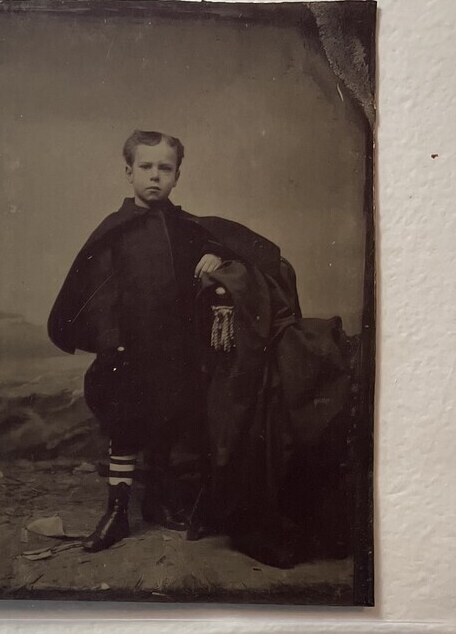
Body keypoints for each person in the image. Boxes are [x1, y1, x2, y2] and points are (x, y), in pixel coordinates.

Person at [48, 130, 355, 565]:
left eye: (165, 169)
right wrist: (110, 345)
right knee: (125, 426)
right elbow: (101, 297)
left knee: (170, 423)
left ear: (177, 176)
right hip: (128, 349)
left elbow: (255, 252)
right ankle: (116, 512)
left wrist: (218, 257)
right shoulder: (115, 233)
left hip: (176, 351)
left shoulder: (189, 227)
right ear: (128, 172)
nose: (155, 176)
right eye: (146, 167)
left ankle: (159, 502)